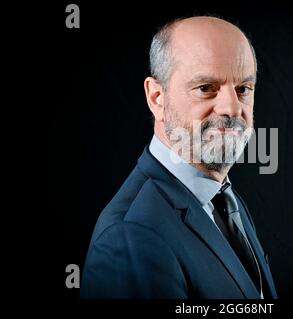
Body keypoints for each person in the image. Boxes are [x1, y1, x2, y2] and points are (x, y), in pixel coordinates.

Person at [81, 15, 277, 299]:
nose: (232, 109)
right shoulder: (130, 235)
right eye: (206, 88)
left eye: (243, 89)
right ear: (157, 98)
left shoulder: (223, 199)